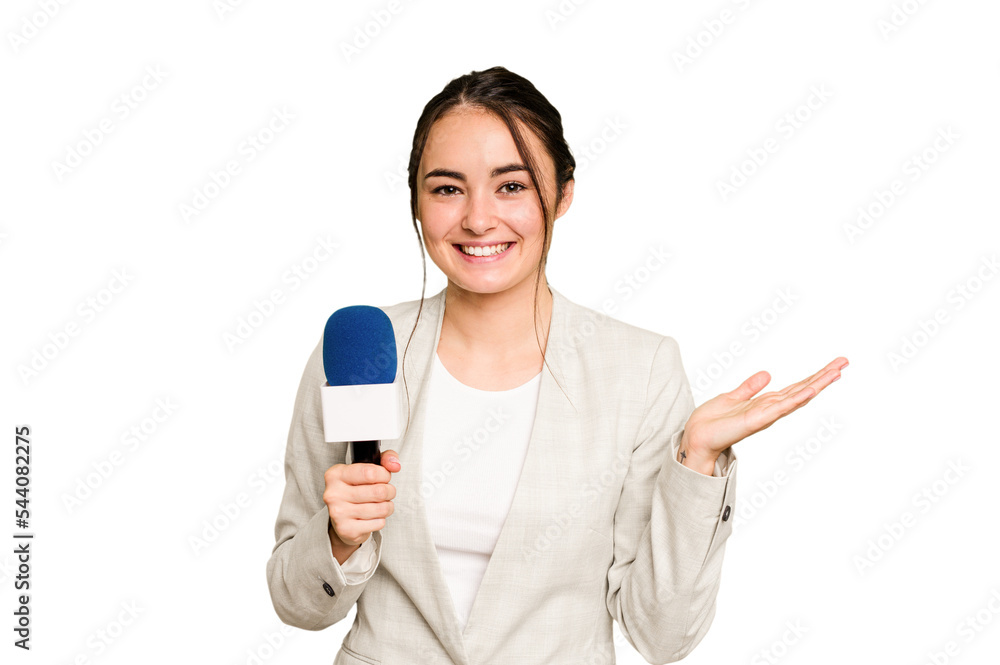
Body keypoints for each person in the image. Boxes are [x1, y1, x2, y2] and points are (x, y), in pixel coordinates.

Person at [265, 66, 848, 664]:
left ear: (563, 195)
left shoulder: (639, 370)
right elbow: (297, 604)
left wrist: (697, 462)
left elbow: (662, 636)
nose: (478, 219)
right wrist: (338, 538)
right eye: (447, 189)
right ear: (416, 199)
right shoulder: (360, 352)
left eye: (511, 186)